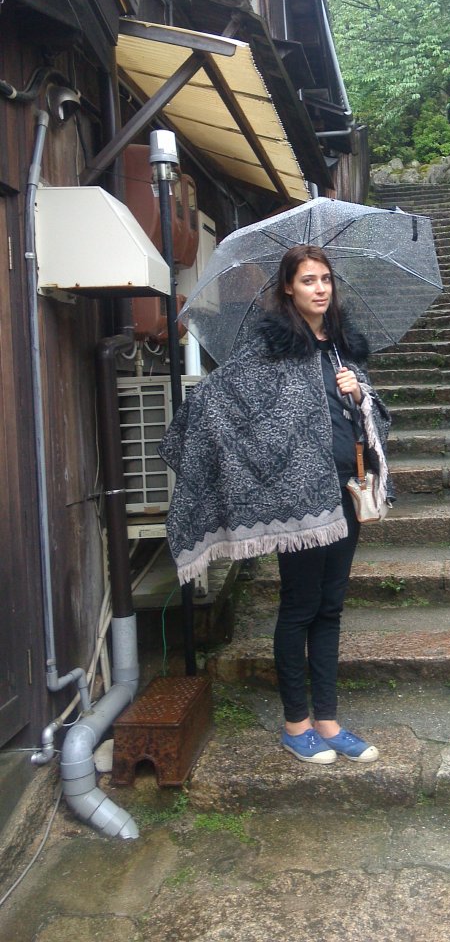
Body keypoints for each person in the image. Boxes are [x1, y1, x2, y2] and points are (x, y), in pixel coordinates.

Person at [158, 244, 393, 766]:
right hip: (297, 500)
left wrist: (361, 395)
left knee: (330, 608)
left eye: (326, 279)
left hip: (346, 489)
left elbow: (375, 416)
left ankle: (329, 721)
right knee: (300, 607)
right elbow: (219, 399)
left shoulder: (344, 347)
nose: (320, 288)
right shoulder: (271, 347)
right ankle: (296, 724)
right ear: (288, 287)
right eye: (308, 280)